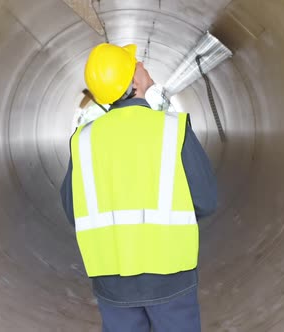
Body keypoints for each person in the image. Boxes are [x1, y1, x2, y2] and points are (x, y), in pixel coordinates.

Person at [60, 43, 217, 332]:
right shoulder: (172, 129)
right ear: (133, 81)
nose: (142, 62)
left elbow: (74, 211)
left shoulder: (83, 141)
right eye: (136, 62)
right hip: (170, 274)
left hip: (111, 278)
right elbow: (206, 200)